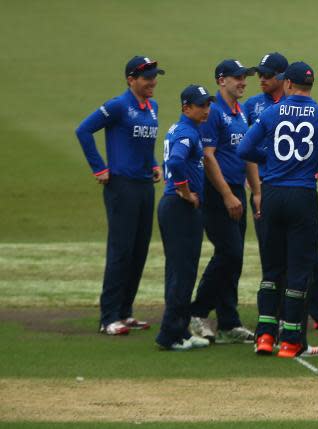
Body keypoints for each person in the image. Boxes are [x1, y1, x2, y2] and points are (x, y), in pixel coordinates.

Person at [237, 61, 318, 358]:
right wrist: (313, 165)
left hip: (272, 195)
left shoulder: (271, 113)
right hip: (303, 196)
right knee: (299, 271)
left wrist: (272, 160)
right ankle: (291, 341)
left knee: (272, 269)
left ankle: (264, 336)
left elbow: (244, 150)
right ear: (311, 86)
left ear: (287, 84)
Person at [75, 56, 163, 335]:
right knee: (121, 250)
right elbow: (83, 130)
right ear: (131, 80)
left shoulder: (153, 107)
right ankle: (108, 317)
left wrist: (152, 164)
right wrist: (99, 167)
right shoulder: (117, 106)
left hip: (144, 186)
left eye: (154, 76)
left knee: (139, 250)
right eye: (147, 77)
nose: (152, 82)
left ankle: (125, 312)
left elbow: (144, 141)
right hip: (121, 186)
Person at [189, 60, 261, 344]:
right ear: (222, 80)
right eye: (237, 78)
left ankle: (229, 321)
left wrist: (256, 191)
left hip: (236, 191)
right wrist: (228, 194)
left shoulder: (240, 112)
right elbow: (208, 156)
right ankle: (197, 311)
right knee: (229, 253)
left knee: (235, 256)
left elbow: (248, 155)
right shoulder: (214, 112)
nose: (243, 82)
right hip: (218, 193)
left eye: (245, 77)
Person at [156, 85, 213, 351]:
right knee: (182, 272)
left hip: (175, 208)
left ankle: (180, 330)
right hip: (179, 208)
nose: (206, 110)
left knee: (181, 271)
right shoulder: (188, 133)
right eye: (201, 105)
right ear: (186, 107)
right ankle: (170, 334)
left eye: (207, 105)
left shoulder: (182, 129)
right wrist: (185, 191)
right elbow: (176, 163)